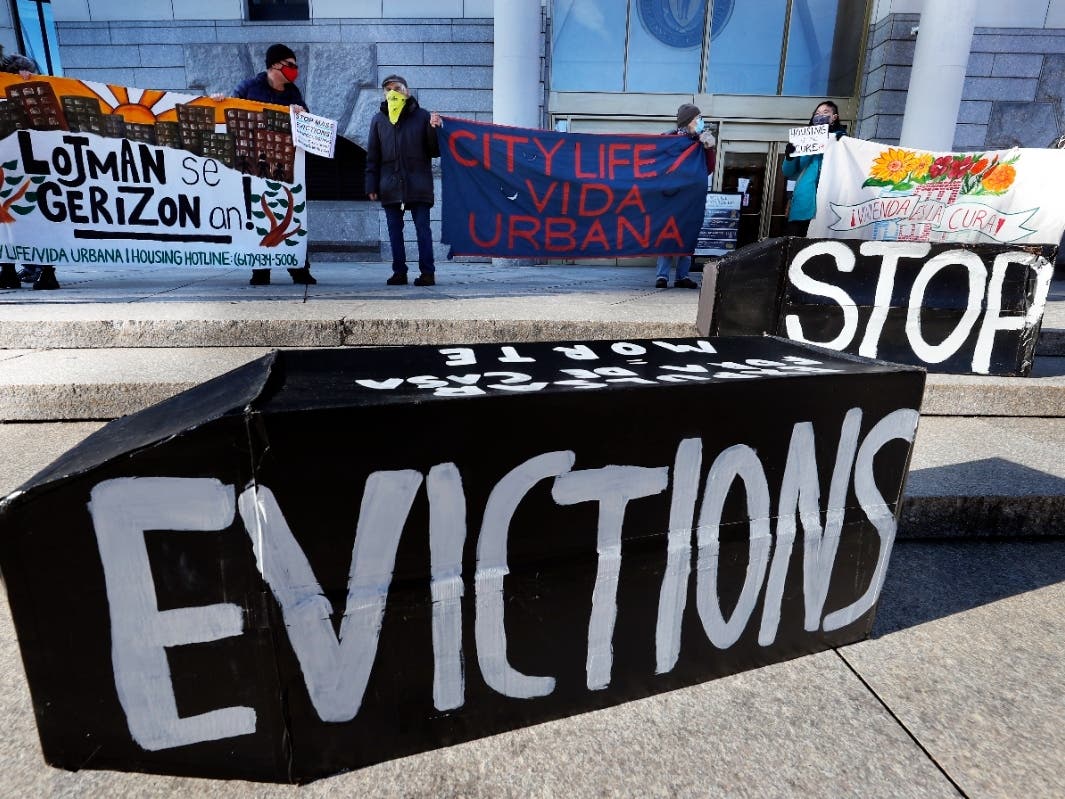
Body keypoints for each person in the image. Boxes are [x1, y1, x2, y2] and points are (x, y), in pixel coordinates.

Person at [232, 44, 315, 286]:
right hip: (254, 163)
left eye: (295, 66)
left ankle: (299, 268)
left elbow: (306, 122)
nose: (294, 70)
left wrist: (301, 112)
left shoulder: (292, 92)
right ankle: (260, 270)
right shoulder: (249, 88)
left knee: (291, 214)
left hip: (283, 163)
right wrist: (218, 101)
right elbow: (229, 108)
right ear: (274, 66)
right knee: (260, 215)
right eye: (289, 65)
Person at [365, 74, 443, 286]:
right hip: (390, 184)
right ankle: (399, 271)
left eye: (397, 89)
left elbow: (434, 151)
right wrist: (371, 184)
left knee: (423, 230)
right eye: (388, 90)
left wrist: (435, 129)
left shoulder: (423, 116)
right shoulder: (378, 120)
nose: (393, 93)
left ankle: (428, 272)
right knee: (394, 231)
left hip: (418, 183)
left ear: (407, 91)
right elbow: (373, 155)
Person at [655, 103, 716, 289]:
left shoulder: (701, 142)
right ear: (688, 121)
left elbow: (708, 169)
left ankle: (682, 276)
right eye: (698, 118)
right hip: (670, 196)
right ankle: (662, 276)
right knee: (668, 233)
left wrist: (709, 149)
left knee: (687, 234)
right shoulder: (668, 139)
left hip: (691, 197)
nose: (700, 121)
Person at [781, 100, 847, 237]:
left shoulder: (842, 140)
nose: (820, 115)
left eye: (825, 112)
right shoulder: (803, 139)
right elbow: (787, 172)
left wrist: (841, 143)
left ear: (834, 117)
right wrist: (789, 156)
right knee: (795, 244)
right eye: (817, 113)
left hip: (829, 204)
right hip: (803, 204)